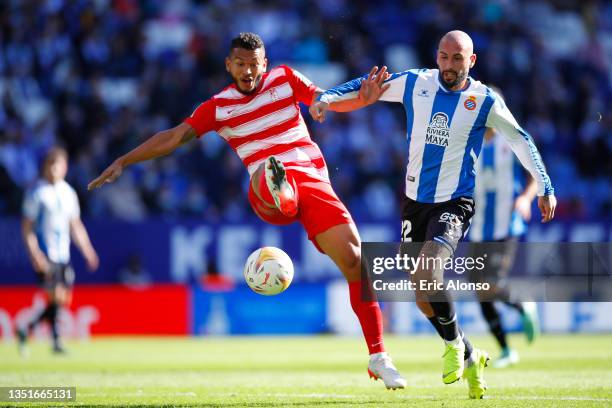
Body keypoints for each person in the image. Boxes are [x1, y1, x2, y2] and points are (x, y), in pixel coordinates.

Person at [87, 32, 406, 389]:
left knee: (354, 260)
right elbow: (174, 137)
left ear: (265, 64)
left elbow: (323, 100)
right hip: (264, 191)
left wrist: (357, 101)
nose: (248, 70)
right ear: (229, 64)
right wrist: (124, 160)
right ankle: (278, 184)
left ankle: (379, 356)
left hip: (313, 182)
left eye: (254, 64)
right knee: (270, 174)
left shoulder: (285, 78)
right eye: (240, 63)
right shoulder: (219, 107)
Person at [310, 30, 556, 399]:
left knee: (429, 271)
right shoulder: (416, 83)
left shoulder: (484, 100)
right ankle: (470, 353)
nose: (449, 65)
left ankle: (454, 346)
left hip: (455, 202)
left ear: (471, 61)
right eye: (444, 56)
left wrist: (546, 186)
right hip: (414, 203)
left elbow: (521, 139)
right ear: (437, 55)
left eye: (458, 59)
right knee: (422, 295)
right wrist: (327, 97)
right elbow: (370, 83)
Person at [468, 113, 541, 368]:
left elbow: (536, 173)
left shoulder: (512, 140)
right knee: (480, 291)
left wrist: (525, 198)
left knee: (490, 283)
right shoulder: (467, 140)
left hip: (506, 225)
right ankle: (507, 349)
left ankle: (523, 304)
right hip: (477, 230)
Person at [18, 147, 99, 354]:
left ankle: (27, 328)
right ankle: (56, 342)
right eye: (50, 164)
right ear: (45, 167)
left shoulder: (68, 193)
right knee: (54, 295)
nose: (54, 168)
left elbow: (76, 226)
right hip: (46, 253)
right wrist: (35, 253)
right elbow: (27, 227)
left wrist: (88, 250)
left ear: (65, 167)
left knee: (63, 299)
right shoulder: (37, 193)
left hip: (64, 254)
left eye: (58, 164)